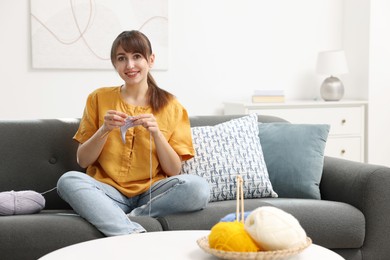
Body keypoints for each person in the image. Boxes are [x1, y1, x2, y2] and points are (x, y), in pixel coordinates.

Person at [57, 30, 210, 236]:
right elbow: (83, 161)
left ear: (151, 60)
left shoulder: (172, 106)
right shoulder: (98, 98)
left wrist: (156, 133)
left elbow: (174, 170)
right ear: (115, 64)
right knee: (68, 180)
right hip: (108, 192)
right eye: (122, 58)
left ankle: (124, 218)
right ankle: (131, 234)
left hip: (152, 195)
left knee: (198, 188)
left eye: (136, 56)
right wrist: (105, 129)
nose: (129, 65)